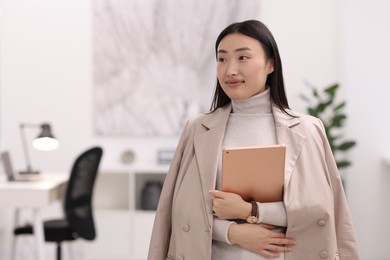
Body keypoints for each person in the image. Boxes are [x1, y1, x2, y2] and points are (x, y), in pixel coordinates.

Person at [147, 20, 360, 260]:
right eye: (222, 59)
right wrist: (233, 232)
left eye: (243, 58)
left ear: (270, 64)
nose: (230, 70)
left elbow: (320, 212)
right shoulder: (197, 129)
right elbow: (181, 212)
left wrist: (251, 210)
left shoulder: (307, 129)